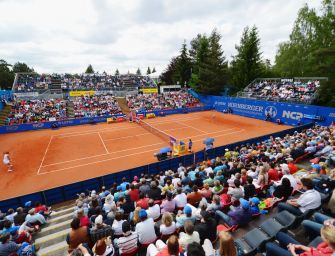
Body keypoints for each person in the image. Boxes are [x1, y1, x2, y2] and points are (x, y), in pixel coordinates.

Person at [265, 225, 335, 256]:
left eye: (322, 235)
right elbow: (316, 251)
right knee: (279, 234)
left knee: (269, 245)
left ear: (327, 240)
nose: (321, 236)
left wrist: (292, 250)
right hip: (309, 253)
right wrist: (301, 247)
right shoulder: (329, 246)